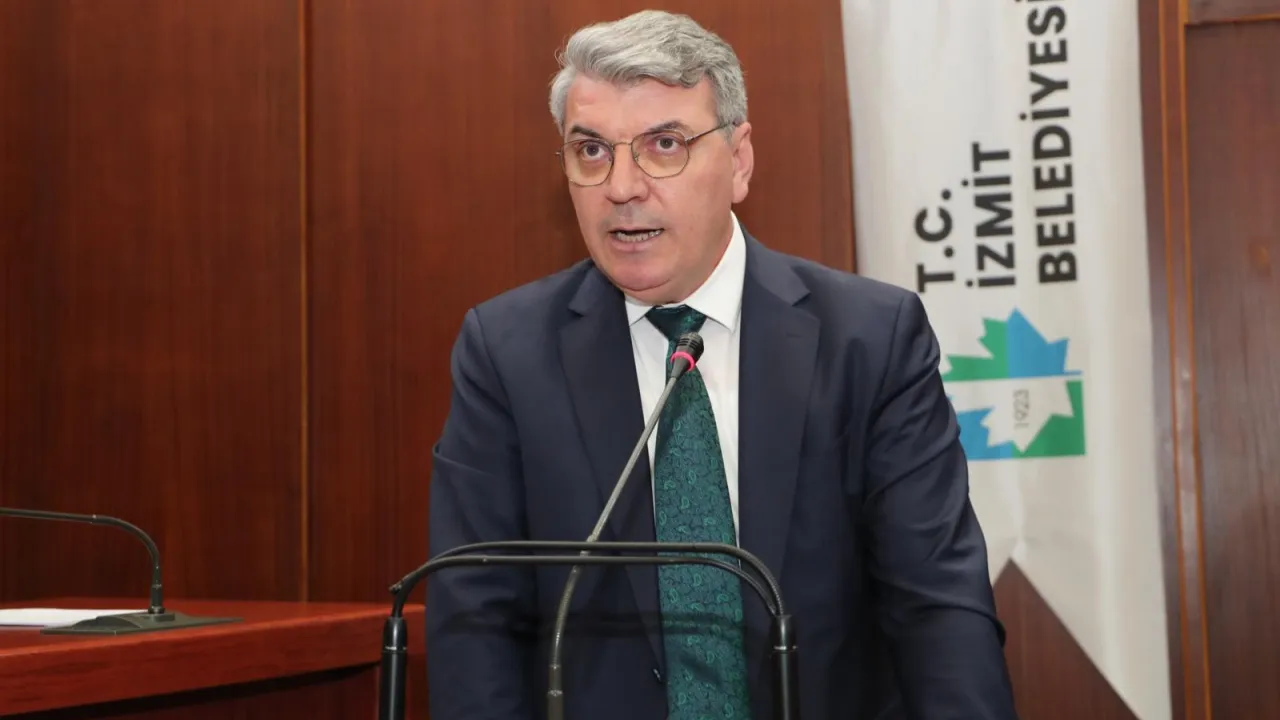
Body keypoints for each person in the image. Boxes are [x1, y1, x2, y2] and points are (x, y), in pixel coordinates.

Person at [425, 9, 1018, 720]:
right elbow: (474, 620)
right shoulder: (506, 352)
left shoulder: (869, 340)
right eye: (591, 150)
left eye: (664, 144)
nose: (621, 186)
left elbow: (938, 609)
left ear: (738, 161)